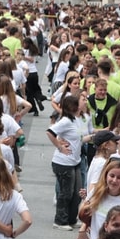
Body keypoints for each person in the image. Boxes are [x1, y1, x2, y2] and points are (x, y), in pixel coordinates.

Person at [77, 160, 120, 239]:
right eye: (112, 176)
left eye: (119, 177)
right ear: (105, 176)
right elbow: (87, 212)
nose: (114, 180)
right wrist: (83, 228)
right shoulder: (96, 193)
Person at [47, 95, 84, 230]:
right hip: (63, 162)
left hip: (75, 161)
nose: (82, 104)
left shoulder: (77, 120)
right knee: (66, 192)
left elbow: (80, 138)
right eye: (80, 102)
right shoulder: (66, 121)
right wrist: (59, 146)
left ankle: (71, 218)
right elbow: (50, 132)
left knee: (76, 192)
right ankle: (60, 220)